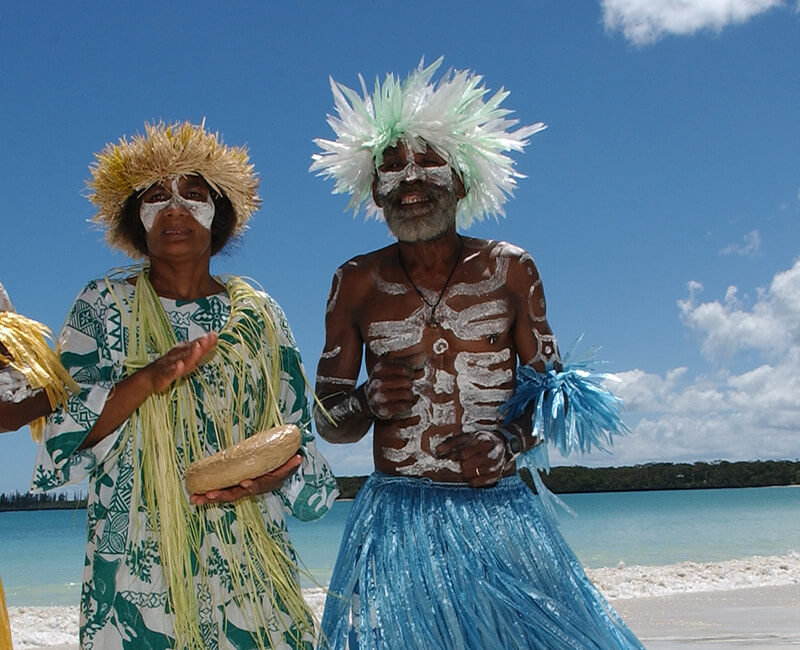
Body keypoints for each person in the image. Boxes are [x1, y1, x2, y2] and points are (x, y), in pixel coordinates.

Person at [310, 59, 644, 649]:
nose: (409, 181)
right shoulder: (355, 281)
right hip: (396, 517)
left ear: (461, 181)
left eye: (428, 163)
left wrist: (508, 442)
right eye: (391, 167)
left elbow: (556, 396)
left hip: (499, 510)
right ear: (374, 191)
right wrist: (363, 400)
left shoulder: (510, 270)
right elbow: (328, 421)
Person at [31, 121, 338, 649]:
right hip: (137, 561)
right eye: (156, 196)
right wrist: (150, 379)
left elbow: (294, 437)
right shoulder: (103, 306)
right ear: (138, 219)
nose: (175, 208)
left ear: (217, 216)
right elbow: (65, 433)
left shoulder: (257, 316)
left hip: (248, 555)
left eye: (193, 195)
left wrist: (271, 477)